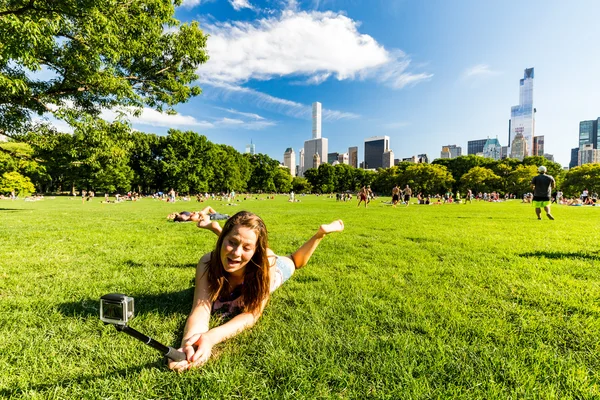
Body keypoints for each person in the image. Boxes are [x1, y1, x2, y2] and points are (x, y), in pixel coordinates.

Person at [168, 211, 344, 371]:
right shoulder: (207, 263)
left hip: (273, 271)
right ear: (222, 239)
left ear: (255, 251)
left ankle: (320, 234)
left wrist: (211, 337)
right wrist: (188, 343)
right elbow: (200, 310)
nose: (237, 253)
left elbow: (252, 313)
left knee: (295, 261)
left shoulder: (266, 261)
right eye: (232, 242)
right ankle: (227, 235)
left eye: (246, 247)